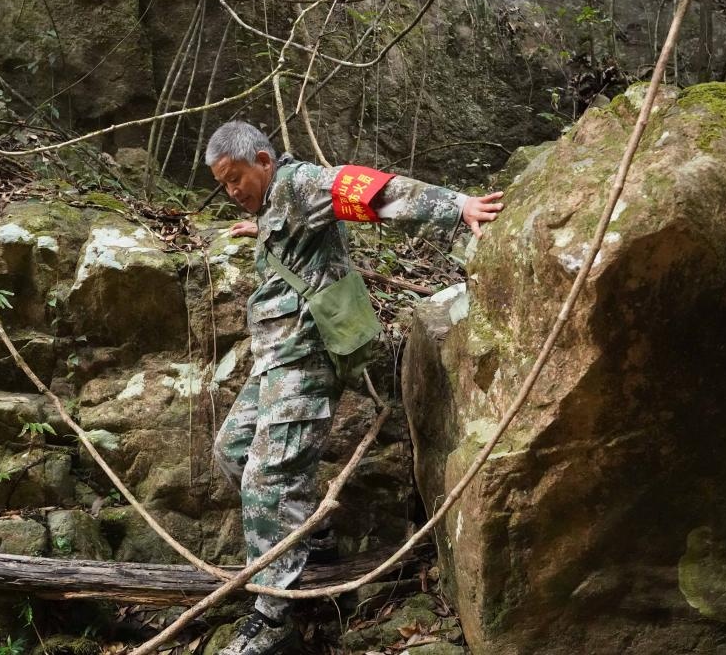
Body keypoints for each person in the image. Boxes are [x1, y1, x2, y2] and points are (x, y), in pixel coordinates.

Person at [206, 121, 504, 655]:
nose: (233, 191)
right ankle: (310, 540)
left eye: (236, 178)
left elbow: (368, 187)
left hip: (308, 357)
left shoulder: (299, 185)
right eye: (224, 185)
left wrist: (455, 207)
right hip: (274, 361)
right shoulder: (279, 204)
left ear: (262, 159)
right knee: (231, 452)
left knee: (267, 478)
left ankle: (275, 613)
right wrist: (261, 229)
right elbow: (297, 235)